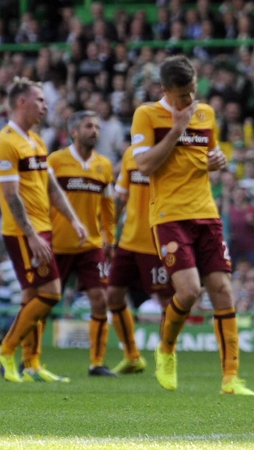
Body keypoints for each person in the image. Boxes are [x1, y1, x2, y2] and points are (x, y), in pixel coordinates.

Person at [131, 55, 254, 395]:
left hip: (206, 213)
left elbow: (209, 155)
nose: (189, 100)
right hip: (169, 216)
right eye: (182, 94)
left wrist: (218, 160)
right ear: (165, 90)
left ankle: (231, 377)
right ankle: (166, 351)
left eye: (193, 92)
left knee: (223, 291)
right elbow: (143, 166)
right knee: (187, 292)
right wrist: (176, 129)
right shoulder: (146, 115)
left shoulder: (206, 114)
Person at [0, 77, 87, 383]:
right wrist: (31, 235)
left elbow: (51, 186)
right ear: (22, 102)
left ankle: (31, 363)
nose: (46, 106)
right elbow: (10, 196)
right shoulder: (5, 142)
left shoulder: (36, 139)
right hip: (22, 232)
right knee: (51, 293)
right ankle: (5, 350)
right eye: (40, 100)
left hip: (42, 227)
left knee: (32, 295)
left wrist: (72, 219)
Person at [42, 110, 116, 377]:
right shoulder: (56, 161)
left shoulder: (104, 166)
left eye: (97, 126)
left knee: (100, 299)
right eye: (88, 126)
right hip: (57, 244)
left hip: (91, 246)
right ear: (73, 131)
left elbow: (108, 206)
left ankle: (97, 363)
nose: (94, 130)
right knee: (42, 302)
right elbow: (41, 199)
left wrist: (110, 238)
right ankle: (31, 360)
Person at [106, 144, 177, 375]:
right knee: (114, 296)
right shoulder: (130, 154)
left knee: (166, 302)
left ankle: (166, 356)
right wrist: (107, 232)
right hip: (128, 241)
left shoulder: (171, 152)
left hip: (158, 241)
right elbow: (120, 198)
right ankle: (132, 356)